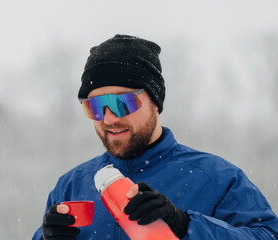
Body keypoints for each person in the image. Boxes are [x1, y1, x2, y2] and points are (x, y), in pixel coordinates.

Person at [32, 34, 278, 239]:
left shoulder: (217, 178)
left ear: (155, 103)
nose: (109, 119)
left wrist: (185, 225)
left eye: (123, 103)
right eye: (95, 107)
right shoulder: (72, 186)